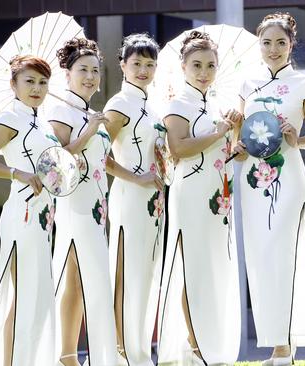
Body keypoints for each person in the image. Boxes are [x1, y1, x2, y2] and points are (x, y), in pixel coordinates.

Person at [237, 12, 305, 364]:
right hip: (252, 179)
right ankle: (274, 342)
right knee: (259, 255)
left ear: (292, 45)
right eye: (267, 42)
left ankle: (286, 344)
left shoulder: (304, 84)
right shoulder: (247, 85)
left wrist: (295, 138)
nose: (273, 49)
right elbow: (241, 137)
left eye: (281, 43)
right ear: (259, 45)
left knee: (285, 251)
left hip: (288, 176)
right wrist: (235, 143)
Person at [156, 30, 242, 365]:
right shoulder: (178, 105)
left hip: (219, 198)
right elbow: (179, 148)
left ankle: (207, 342)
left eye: (210, 65)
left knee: (214, 267)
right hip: (190, 194)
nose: (204, 72)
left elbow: (226, 154)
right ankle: (194, 344)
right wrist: (220, 130)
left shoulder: (219, 105)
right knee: (193, 267)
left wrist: (236, 135)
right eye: (197, 65)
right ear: (183, 66)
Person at [0, 55, 57, 366]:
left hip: (44, 216)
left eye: (43, 82)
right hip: (21, 213)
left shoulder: (42, 122)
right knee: (22, 297)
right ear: (14, 84)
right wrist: (15, 173)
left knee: (36, 299)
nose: (37, 88)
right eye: (29, 81)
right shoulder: (10, 118)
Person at [47, 38, 118, 366]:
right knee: (93, 279)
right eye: (82, 70)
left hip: (97, 205)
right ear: (68, 73)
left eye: (94, 70)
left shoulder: (91, 112)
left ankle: (68, 356)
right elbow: (55, 164)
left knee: (75, 282)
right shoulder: (61, 111)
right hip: (75, 204)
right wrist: (89, 131)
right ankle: (101, 356)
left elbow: (103, 164)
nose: (90, 76)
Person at [103, 33, 165, 366]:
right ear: (123, 65)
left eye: (149, 64)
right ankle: (120, 354)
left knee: (146, 278)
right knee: (127, 275)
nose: (143, 70)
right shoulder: (119, 104)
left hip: (154, 204)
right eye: (137, 63)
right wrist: (136, 177)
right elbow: (100, 156)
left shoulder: (151, 105)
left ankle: (138, 351)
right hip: (129, 198)